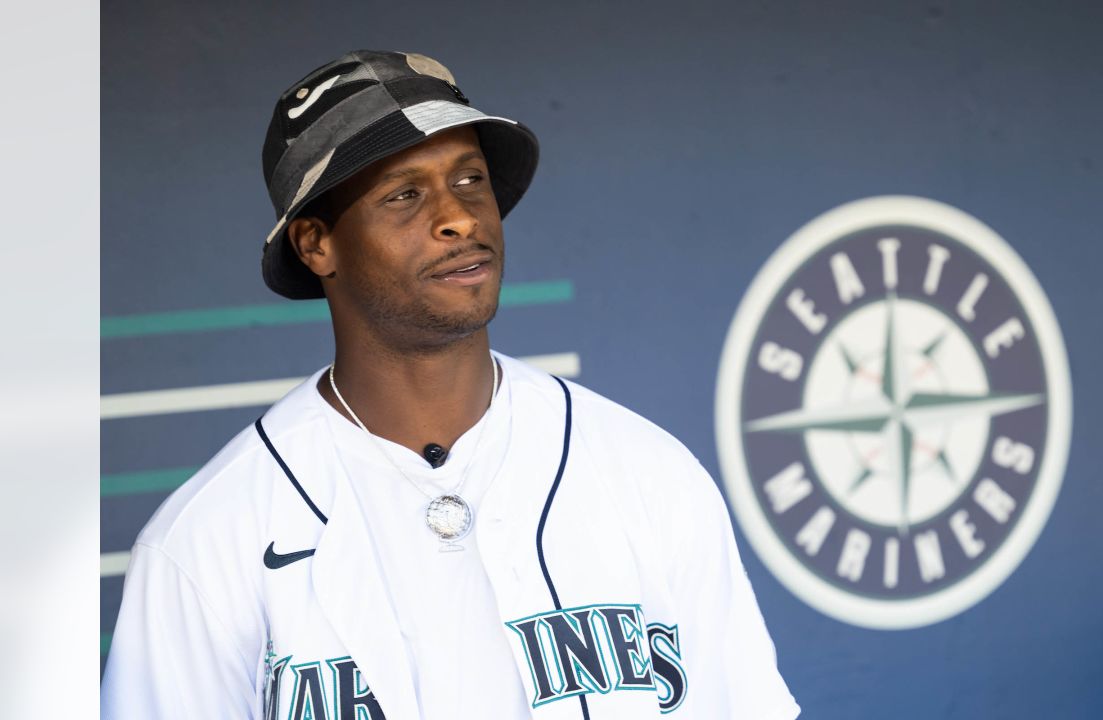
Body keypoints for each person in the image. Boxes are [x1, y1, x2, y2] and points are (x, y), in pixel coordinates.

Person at [101, 49, 800, 720]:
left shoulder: (646, 473)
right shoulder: (206, 542)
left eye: (470, 180)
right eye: (405, 194)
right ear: (316, 244)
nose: (459, 217)